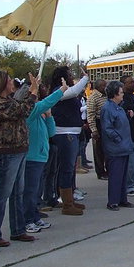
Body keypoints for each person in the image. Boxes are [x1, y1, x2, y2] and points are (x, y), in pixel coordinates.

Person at [0, 70, 38, 247]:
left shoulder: (8, 100)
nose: (11, 82)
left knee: (17, 192)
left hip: (18, 149)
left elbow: (20, 107)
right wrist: (34, 92)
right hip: (6, 151)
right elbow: (23, 110)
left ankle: (18, 229)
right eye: (7, 80)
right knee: (5, 193)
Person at [24, 78, 68, 228]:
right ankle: (28, 220)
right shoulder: (30, 112)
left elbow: (51, 133)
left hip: (41, 155)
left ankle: (35, 217)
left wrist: (49, 117)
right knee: (30, 191)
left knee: (36, 189)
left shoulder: (39, 115)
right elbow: (47, 102)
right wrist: (61, 91)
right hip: (32, 156)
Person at [48, 66, 89, 216]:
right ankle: (66, 204)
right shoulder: (58, 91)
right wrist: (85, 79)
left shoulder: (66, 91)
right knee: (66, 168)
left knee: (69, 168)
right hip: (65, 133)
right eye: (70, 74)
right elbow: (73, 91)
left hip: (71, 133)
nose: (72, 77)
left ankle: (68, 199)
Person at [100, 80, 134, 211]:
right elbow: (107, 128)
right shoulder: (107, 108)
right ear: (114, 94)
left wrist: (128, 116)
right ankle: (113, 201)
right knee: (115, 175)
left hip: (124, 146)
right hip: (116, 148)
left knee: (123, 175)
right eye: (120, 93)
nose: (122, 95)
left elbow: (121, 123)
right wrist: (118, 139)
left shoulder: (119, 107)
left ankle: (122, 199)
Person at [86, 79, 109, 180]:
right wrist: (94, 130)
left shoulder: (106, 95)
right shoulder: (93, 97)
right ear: (98, 87)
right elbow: (90, 114)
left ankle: (109, 170)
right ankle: (100, 172)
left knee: (107, 149)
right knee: (99, 151)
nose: (106, 88)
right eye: (104, 86)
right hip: (98, 123)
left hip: (106, 123)